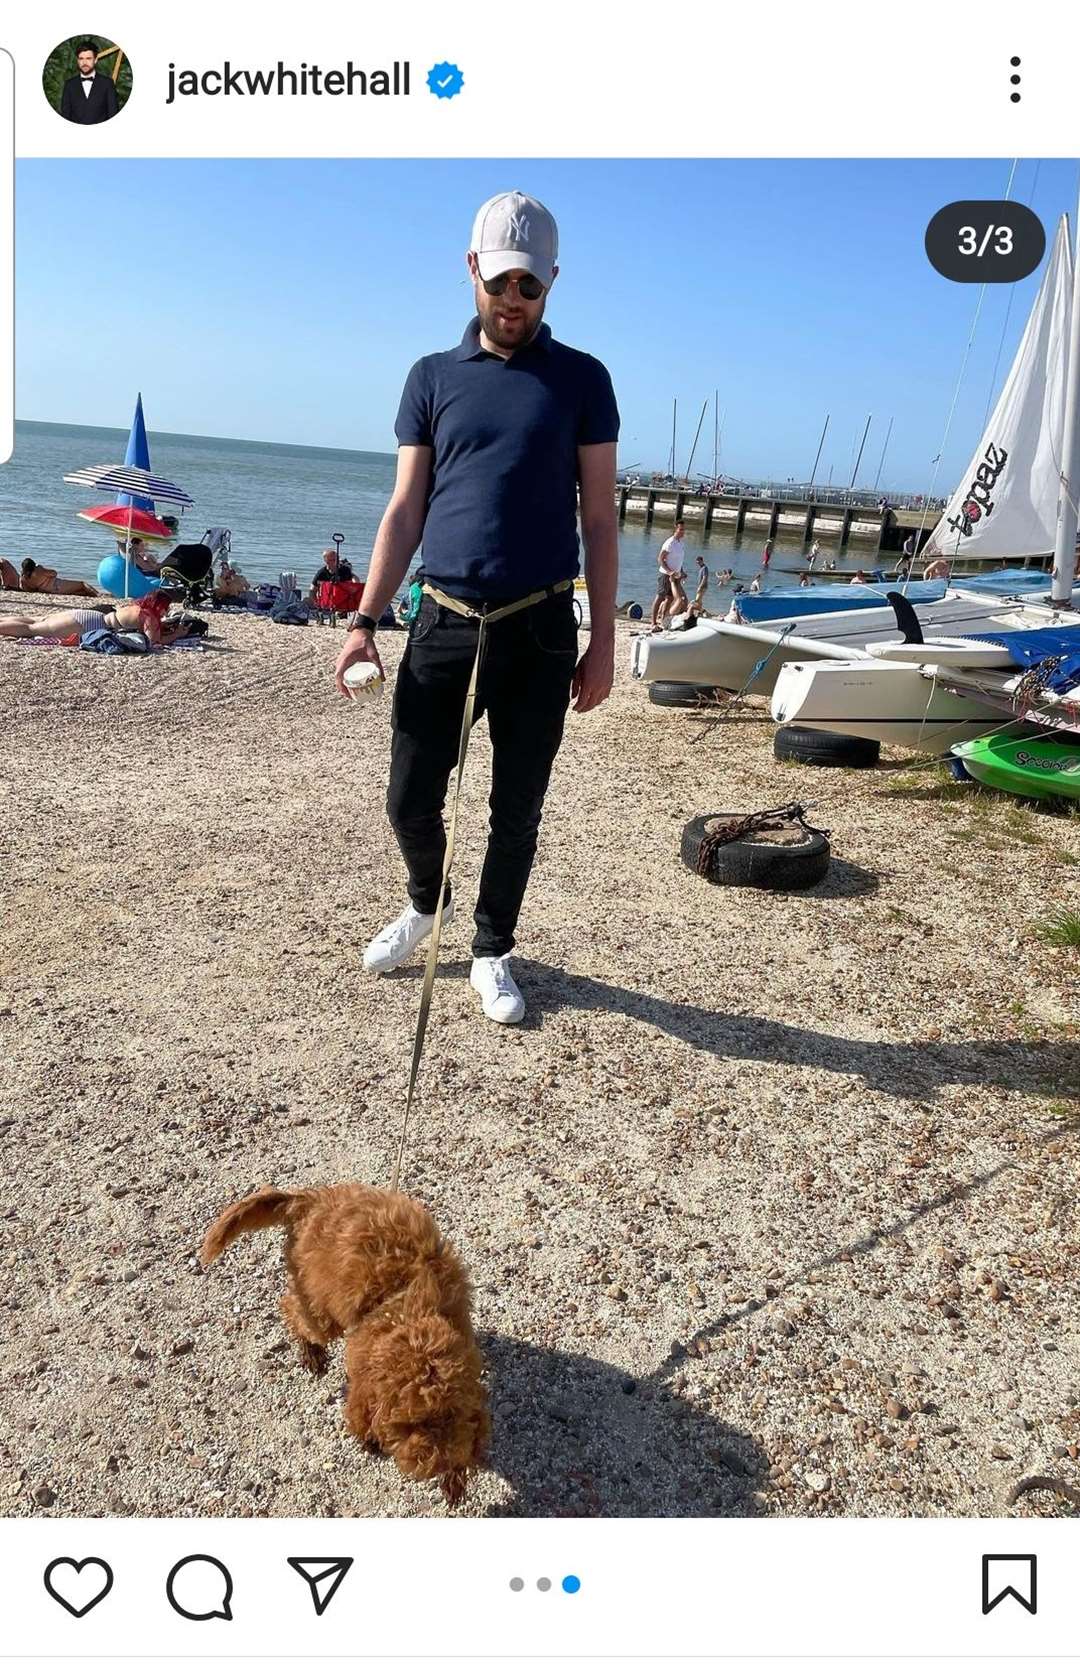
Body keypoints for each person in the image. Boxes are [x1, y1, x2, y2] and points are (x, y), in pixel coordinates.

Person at [333, 190, 619, 1025]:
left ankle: (492, 949)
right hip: (444, 620)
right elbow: (404, 510)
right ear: (473, 272)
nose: (514, 301)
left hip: (538, 626)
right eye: (501, 283)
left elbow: (599, 520)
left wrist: (603, 640)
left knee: (516, 808)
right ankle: (429, 904)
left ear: (552, 283)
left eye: (530, 286)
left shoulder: (583, 380)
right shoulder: (431, 378)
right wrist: (362, 621)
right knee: (409, 799)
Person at [0, 590, 187, 647]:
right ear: (159, 606)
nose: (166, 611)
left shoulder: (137, 607)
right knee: (33, 630)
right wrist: (177, 634)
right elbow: (153, 642)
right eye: (165, 608)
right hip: (90, 624)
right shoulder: (149, 617)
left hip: (91, 615)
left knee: (36, 619)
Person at [59, 42, 120, 126]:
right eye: (81, 58)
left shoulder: (107, 83)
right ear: (78, 60)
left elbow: (113, 114)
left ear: (95, 60)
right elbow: (65, 116)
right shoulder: (69, 85)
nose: (84, 63)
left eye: (88, 58)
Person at [650, 521, 686, 632]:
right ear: (675, 529)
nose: (682, 532)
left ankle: (664, 620)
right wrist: (669, 571)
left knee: (670, 598)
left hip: (676, 576)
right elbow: (660, 559)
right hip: (666, 575)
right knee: (660, 597)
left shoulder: (680, 543)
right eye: (680, 529)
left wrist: (682, 572)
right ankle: (653, 622)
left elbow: (678, 561)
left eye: (684, 530)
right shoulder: (670, 542)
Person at [6, 558, 98, 597]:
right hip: (57, 585)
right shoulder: (39, 569)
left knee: (79, 591)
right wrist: (40, 567)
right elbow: (54, 573)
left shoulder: (23, 577)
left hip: (48, 590)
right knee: (82, 584)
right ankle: (97, 594)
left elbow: (27, 589)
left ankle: (91, 595)